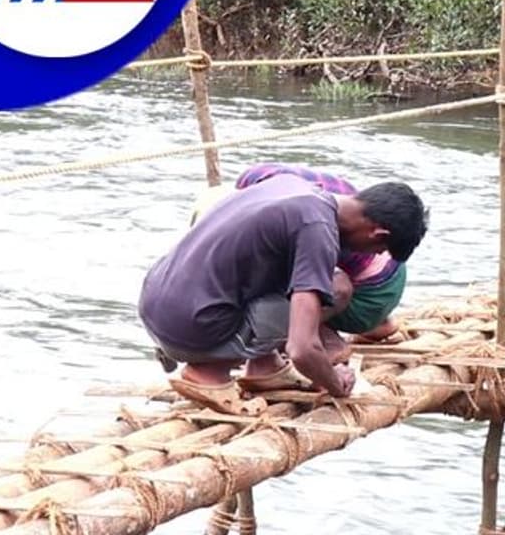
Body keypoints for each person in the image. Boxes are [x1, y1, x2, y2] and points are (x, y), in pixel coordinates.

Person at [140, 172, 427, 415]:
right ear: (378, 234)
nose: (372, 254)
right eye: (379, 250)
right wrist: (335, 382)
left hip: (157, 305)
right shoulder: (318, 230)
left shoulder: (295, 186)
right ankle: (209, 374)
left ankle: (264, 366)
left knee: (317, 280)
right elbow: (301, 349)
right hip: (188, 328)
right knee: (338, 288)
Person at [234, 163, 417, 355]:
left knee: (306, 287)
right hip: (394, 275)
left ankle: (328, 340)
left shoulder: (326, 231)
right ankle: (381, 323)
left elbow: (303, 287)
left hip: (367, 300)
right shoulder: (347, 209)